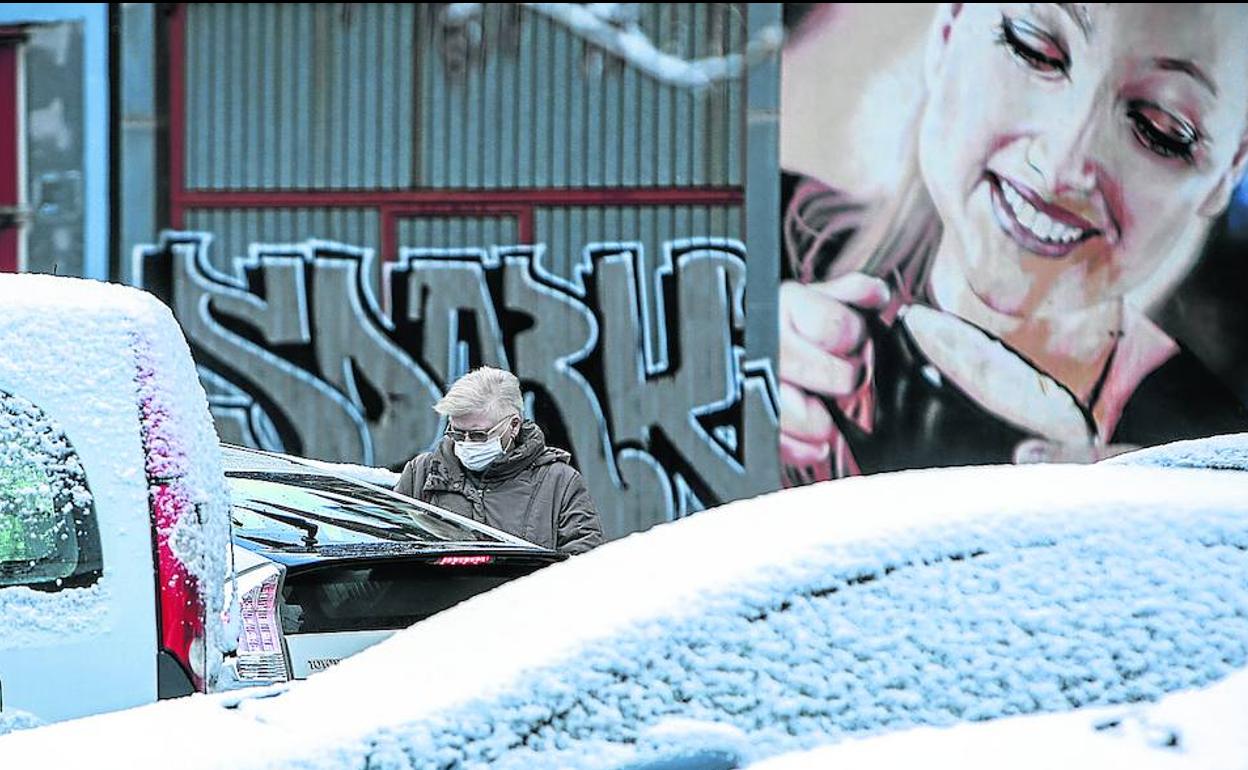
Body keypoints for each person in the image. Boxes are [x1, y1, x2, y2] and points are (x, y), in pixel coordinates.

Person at [780, 3, 1248, 484]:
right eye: (1033, 49)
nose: (1062, 168)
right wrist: (737, 373)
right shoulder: (757, 252)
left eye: (1160, 129)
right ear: (948, 27)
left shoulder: (1210, 459)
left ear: (1228, 172)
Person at [393, 366, 603, 555]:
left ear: (514, 426)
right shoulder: (421, 473)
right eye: (457, 433)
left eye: (478, 435)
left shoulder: (560, 483)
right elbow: (389, 546)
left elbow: (583, 566)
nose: (466, 443)